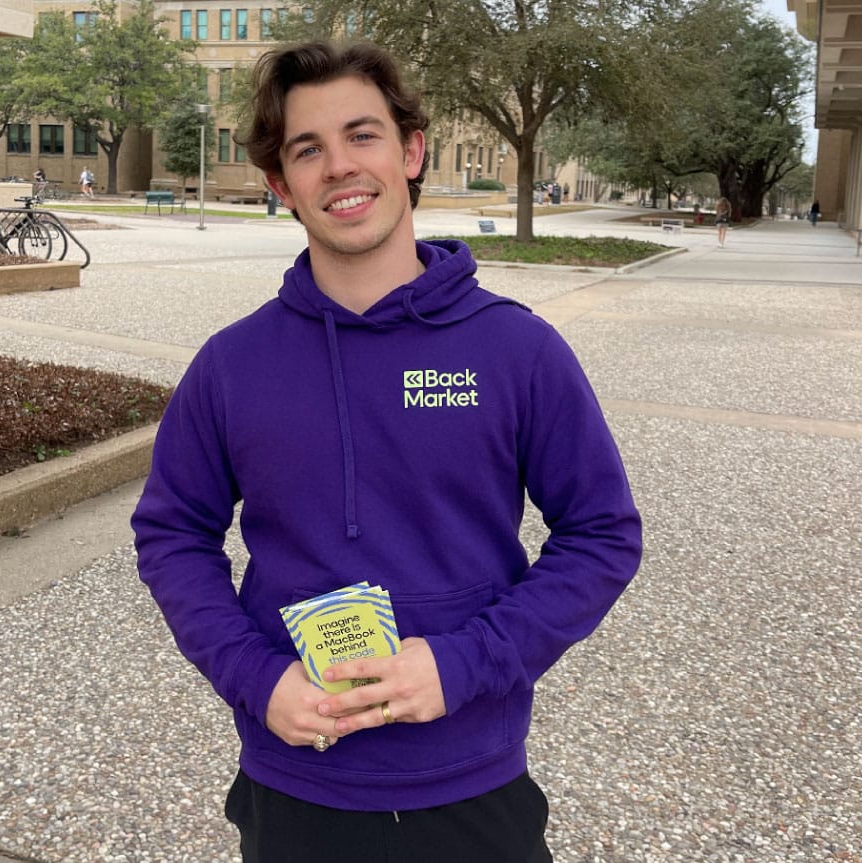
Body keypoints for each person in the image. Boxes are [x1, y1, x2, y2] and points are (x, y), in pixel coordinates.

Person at [131, 40, 642, 862]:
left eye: (362, 135)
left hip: (471, 780)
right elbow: (171, 534)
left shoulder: (517, 350)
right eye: (308, 150)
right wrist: (257, 681)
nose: (339, 166)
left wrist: (465, 662)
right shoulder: (231, 366)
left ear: (410, 153)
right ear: (280, 185)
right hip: (296, 785)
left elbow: (603, 532)